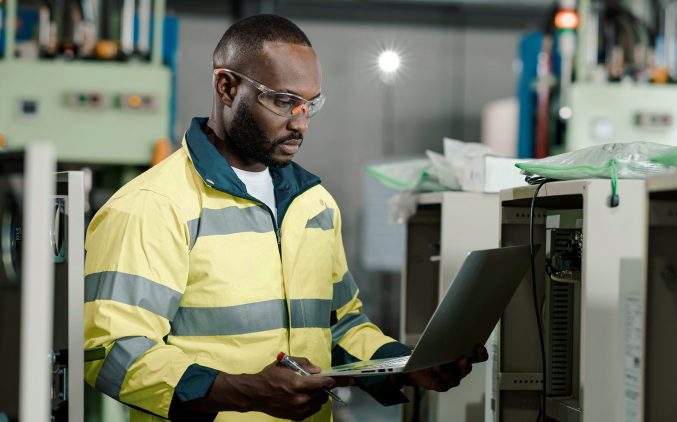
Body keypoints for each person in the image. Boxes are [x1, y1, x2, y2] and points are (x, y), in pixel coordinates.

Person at [83, 14, 487, 421]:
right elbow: (112, 350)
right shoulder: (153, 205)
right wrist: (244, 393)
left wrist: (406, 366)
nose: (301, 121)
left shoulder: (314, 205)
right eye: (282, 100)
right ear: (226, 87)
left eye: (311, 104)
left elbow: (340, 328)